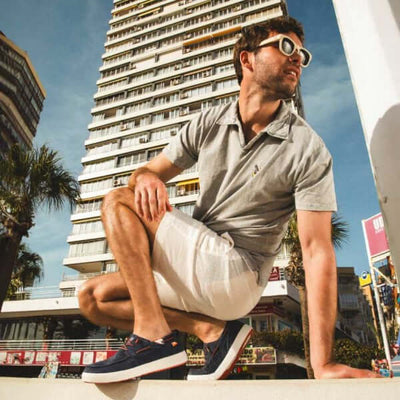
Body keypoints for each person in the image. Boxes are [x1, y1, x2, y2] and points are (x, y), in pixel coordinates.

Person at [79, 16, 380, 383]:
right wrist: (145, 177)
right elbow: (146, 173)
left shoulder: (308, 149)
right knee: (93, 297)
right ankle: (211, 331)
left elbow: (317, 250)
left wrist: (323, 364)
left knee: (117, 201)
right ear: (247, 59)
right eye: (286, 47)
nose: (297, 58)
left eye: (303, 54)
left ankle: (152, 336)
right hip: (197, 268)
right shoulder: (210, 120)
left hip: (239, 270)